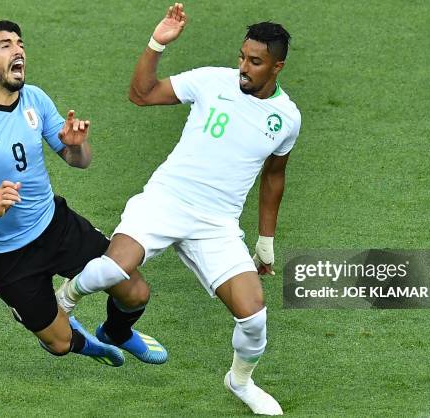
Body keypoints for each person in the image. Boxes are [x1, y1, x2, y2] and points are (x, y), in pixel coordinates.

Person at [56, 3, 300, 415]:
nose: (243, 67)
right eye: (242, 57)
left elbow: (274, 177)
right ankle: (63, 303)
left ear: (277, 67)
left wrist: (265, 241)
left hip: (216, 224)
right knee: (112, 270)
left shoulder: (287, 118)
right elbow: (141, 94)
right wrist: (157, 43)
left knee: (254, 319)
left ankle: (240, 381)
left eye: (255, 62)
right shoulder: (211, 81)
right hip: (165, 200)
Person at [0, 20, 166, 368]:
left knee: (135, 291)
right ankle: (75, 335)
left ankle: (116, 332)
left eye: (20, 43)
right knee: (58, 343)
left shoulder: (34, 98)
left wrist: (75, 148)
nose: (19, 50)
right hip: (3, 254)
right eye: (6, 45)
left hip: (55, 225)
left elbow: (77, 161)